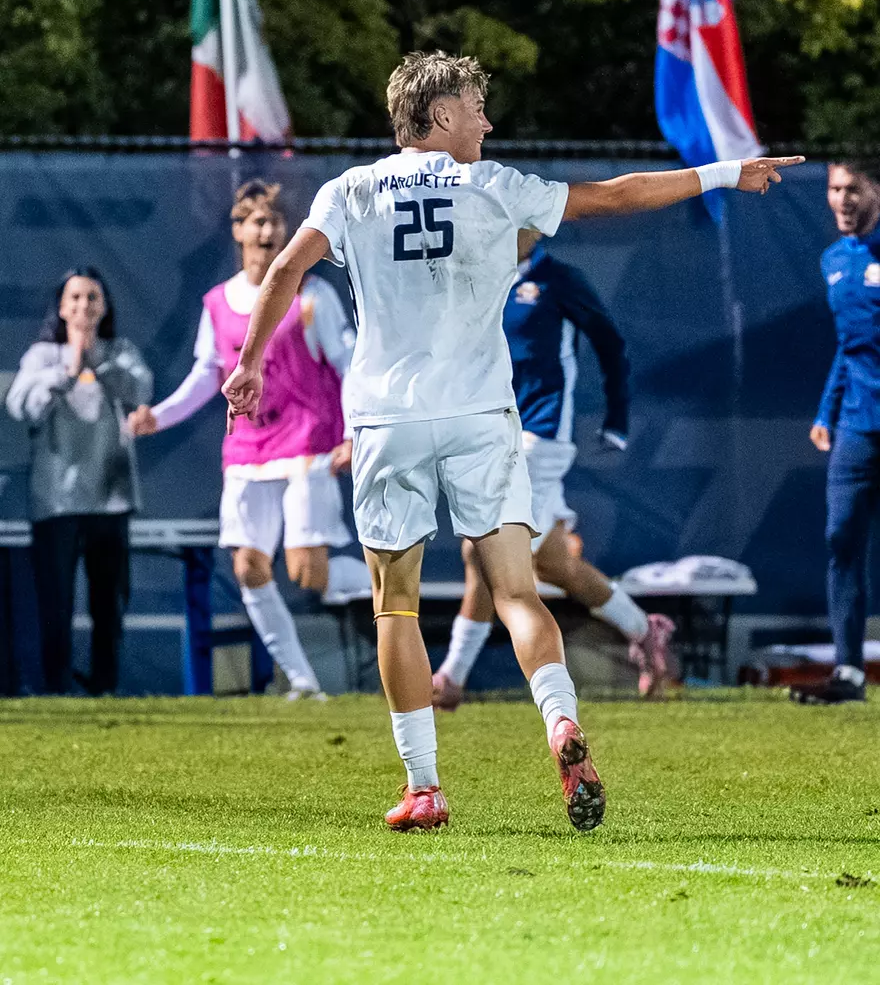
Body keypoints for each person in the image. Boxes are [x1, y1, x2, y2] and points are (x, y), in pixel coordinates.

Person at [222, 50, 803, 832]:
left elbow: (285, 271)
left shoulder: (347, 191)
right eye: (475, 107)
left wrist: (250, 363)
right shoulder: (493, 188)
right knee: (519, 591)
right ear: (438, 116)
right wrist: (726, 172)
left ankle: (424, 787)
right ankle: (561, 722)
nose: (487, 123)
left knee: (396, 609)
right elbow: (619, 194)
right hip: (480, 417)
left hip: (386, 422)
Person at [129, 179, 368, 699]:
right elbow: (206, 375)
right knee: (248, 566)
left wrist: (353, 432)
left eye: (275, 222)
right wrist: (160, 417)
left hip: (308, 442)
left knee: (309, 574)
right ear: (238, 231)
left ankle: (390, 577)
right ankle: (304, 684)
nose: (267, 231)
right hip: (247, 448)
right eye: (257, 221)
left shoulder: (311, 296)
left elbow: (349, 365)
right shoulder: (217, 302)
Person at [432, 228, 673, 711]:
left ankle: (450, 678)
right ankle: (645, 631)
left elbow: (609, 341)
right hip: (489, 433)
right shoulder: (477, 277)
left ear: (537, 226)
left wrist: (618, 420)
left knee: (482, 551)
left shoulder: (558, 279)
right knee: (555, 565)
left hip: (540, 436)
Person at [6, 267, 153, 695]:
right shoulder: (41, 357)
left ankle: (104, 686)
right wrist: (66, 370)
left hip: (111, 499)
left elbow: (140, 389)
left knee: (108, 603)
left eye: (92, 298)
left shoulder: (120, 351)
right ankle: (56, 689)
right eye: (75, 298)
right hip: (57, 502)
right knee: (56, 604)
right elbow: (22, 407)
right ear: (62, 306)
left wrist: (95, 360)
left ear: (104, 305)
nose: (84, 306)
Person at [792, 161, 880, 705]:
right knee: (840, 540)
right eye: (834, 189)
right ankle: (849, 672)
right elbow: (850, 350)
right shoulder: (833, 262)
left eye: (854, 188)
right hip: (857, 428)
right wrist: (826, 411)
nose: (842, 199)